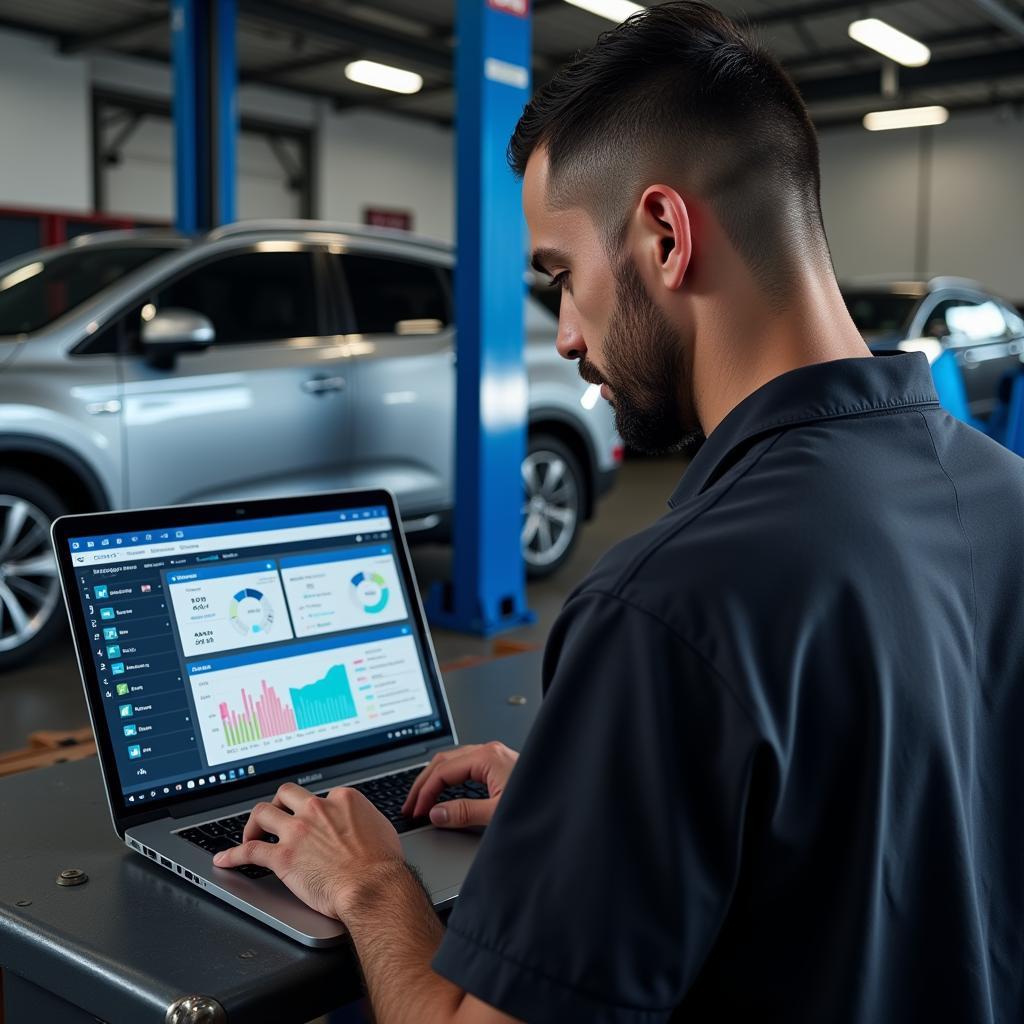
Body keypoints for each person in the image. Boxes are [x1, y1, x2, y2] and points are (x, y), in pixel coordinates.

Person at [214, 4, 1024, 1021]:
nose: (563, 336)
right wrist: (596, 805)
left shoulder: (668, 606)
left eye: (561, 276)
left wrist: (372, 886)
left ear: (663, 234)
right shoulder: (1004, 494)